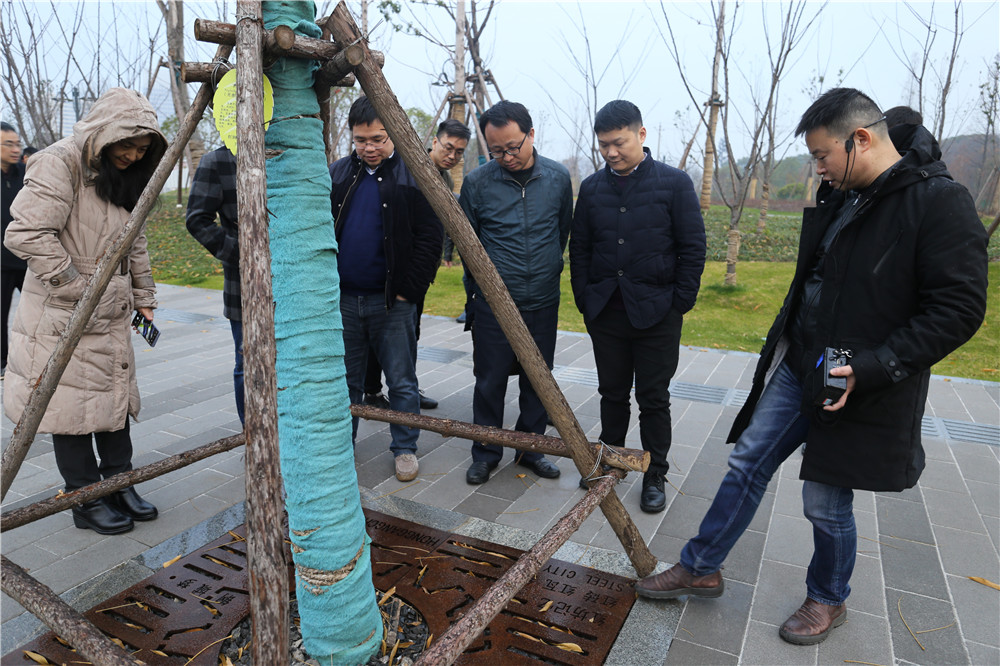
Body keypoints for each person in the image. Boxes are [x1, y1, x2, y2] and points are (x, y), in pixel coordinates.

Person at [635, 88, 988, 646]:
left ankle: (828, 596)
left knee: (824, 502)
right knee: (746, 462)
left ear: (861, 139)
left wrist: (874, 367)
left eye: (822, 155)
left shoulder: (939, 201)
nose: (817, 167)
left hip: (856, 378)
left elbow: (958, 310)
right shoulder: (844, 193)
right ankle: (700, 566)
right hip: (802, 361)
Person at [3, 88, 168, 535]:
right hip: (63, 312)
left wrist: (145, 297)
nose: (133, 156)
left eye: (142, 149)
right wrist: (78, 289)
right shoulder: (60, 162)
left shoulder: (126, 174)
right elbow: (26, 234)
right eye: (126, 145)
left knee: (113, 397)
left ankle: (119, 483)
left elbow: (134, 239)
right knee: (71, 407)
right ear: (104, 133)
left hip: (111, 311)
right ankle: (84, 497)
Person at [569, 100, 706, 513]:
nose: (611, 152)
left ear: (641, 135)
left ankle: (655, 473)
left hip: (657, 312)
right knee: (611, 393)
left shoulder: (674, 183)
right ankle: (610, 464)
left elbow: (693, 247)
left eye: (619, 142)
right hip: (606, 311)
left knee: (653, 398)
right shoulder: (592, 188)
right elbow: (580, 248)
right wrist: (584, 298)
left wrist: (679, 302)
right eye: (604, 145)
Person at [330, 96, 443, 482]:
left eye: (377, 139)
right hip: (344, 300)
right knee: (346, 381)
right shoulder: (338, 174)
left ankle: (405, 448)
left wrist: (408, 292)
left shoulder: (415, 175)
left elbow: (431, 238)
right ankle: (342, 446)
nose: (369, 148)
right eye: (361, 140)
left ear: (392, 133)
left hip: (393, 302)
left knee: (401, 379)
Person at [460, 100, 572, 485]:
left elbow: (561, 232)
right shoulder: (477, 183)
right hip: (495, 304)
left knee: (538, 380)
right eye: (497, 151)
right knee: (489, 381)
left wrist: (546, 268)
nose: (507, 157)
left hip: (542, 299)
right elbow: (469, 244)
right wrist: (479, 295)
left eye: (513, 147)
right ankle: (485, 451)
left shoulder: (558, 178)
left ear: (531, 134)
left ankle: (531, 449)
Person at [362, 119, 470, 412]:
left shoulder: (446, 180)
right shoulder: (408, 168)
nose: (452, 156)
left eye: (459, 152)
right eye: (448, 147)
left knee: (411, 331)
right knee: (380, 333)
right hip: (393, 267)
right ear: (435, 142)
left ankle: (405, 388)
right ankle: (372, 390)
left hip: (418, 271)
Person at [186, 146, 244, 425]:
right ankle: (254, 435)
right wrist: (245, 254)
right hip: (244, 287)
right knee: (248, 363)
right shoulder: (218, 160)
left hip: (299, 283)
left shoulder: (292, 148)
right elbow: (197, 220)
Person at [1, 122, 26, 379]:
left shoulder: (27, 173)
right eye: (8, 144)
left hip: (28, 260)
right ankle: (1, 362)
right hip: (1, 264)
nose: (15, 149)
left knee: (41, 312)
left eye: (17, 144)